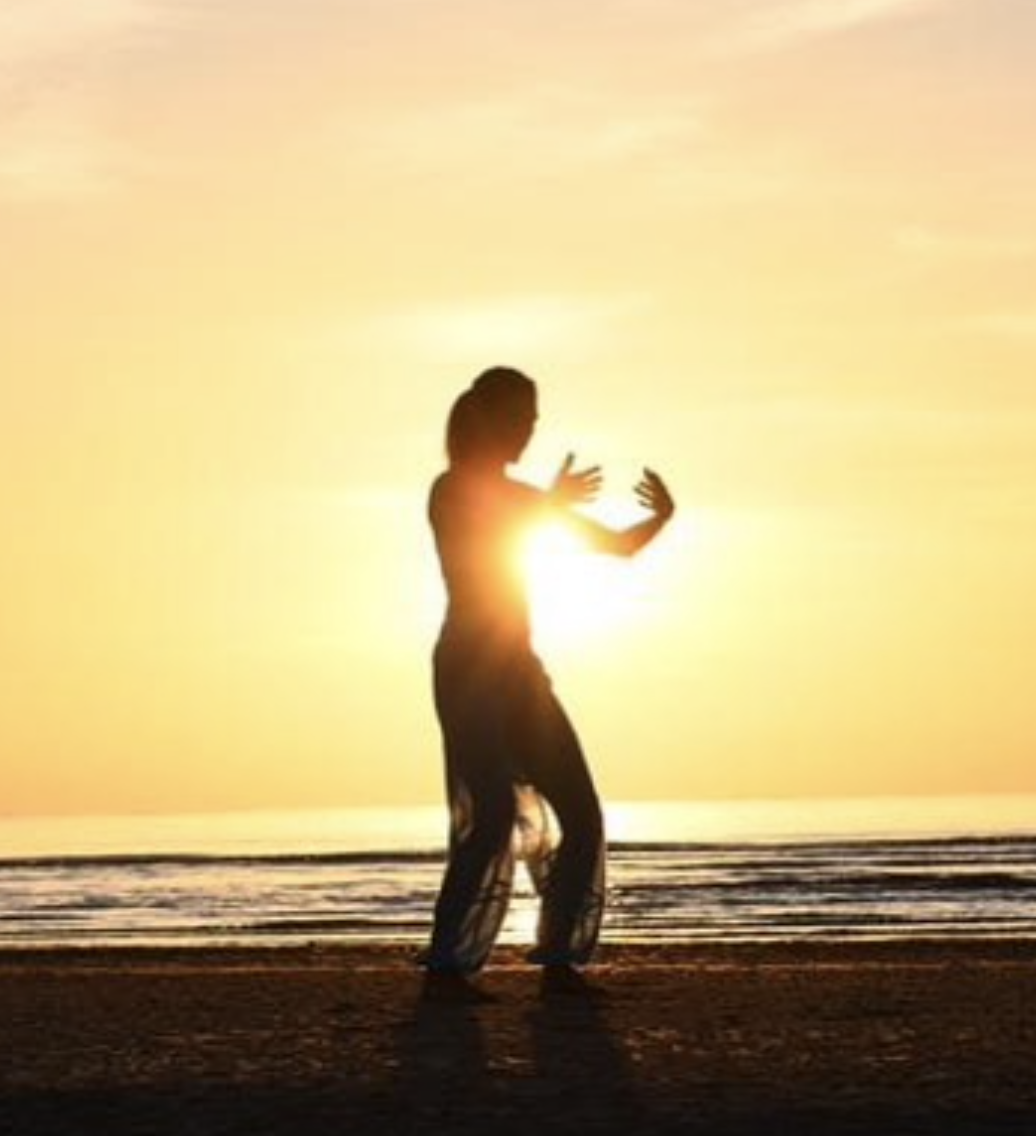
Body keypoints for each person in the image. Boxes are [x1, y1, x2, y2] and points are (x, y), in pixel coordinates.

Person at [421, 366, 674, 998]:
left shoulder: (526, 498)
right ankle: (449, 958)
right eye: (523, 417)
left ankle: (559, 949)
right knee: (493, 811)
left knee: (582, 813)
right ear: (491, 418)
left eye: (535, 419)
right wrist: (550, 503)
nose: (531, 430)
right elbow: (481, 533)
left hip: (520, 671)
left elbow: (617, 547)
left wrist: (663, 518)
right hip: (467, 668)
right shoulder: (450, 489)